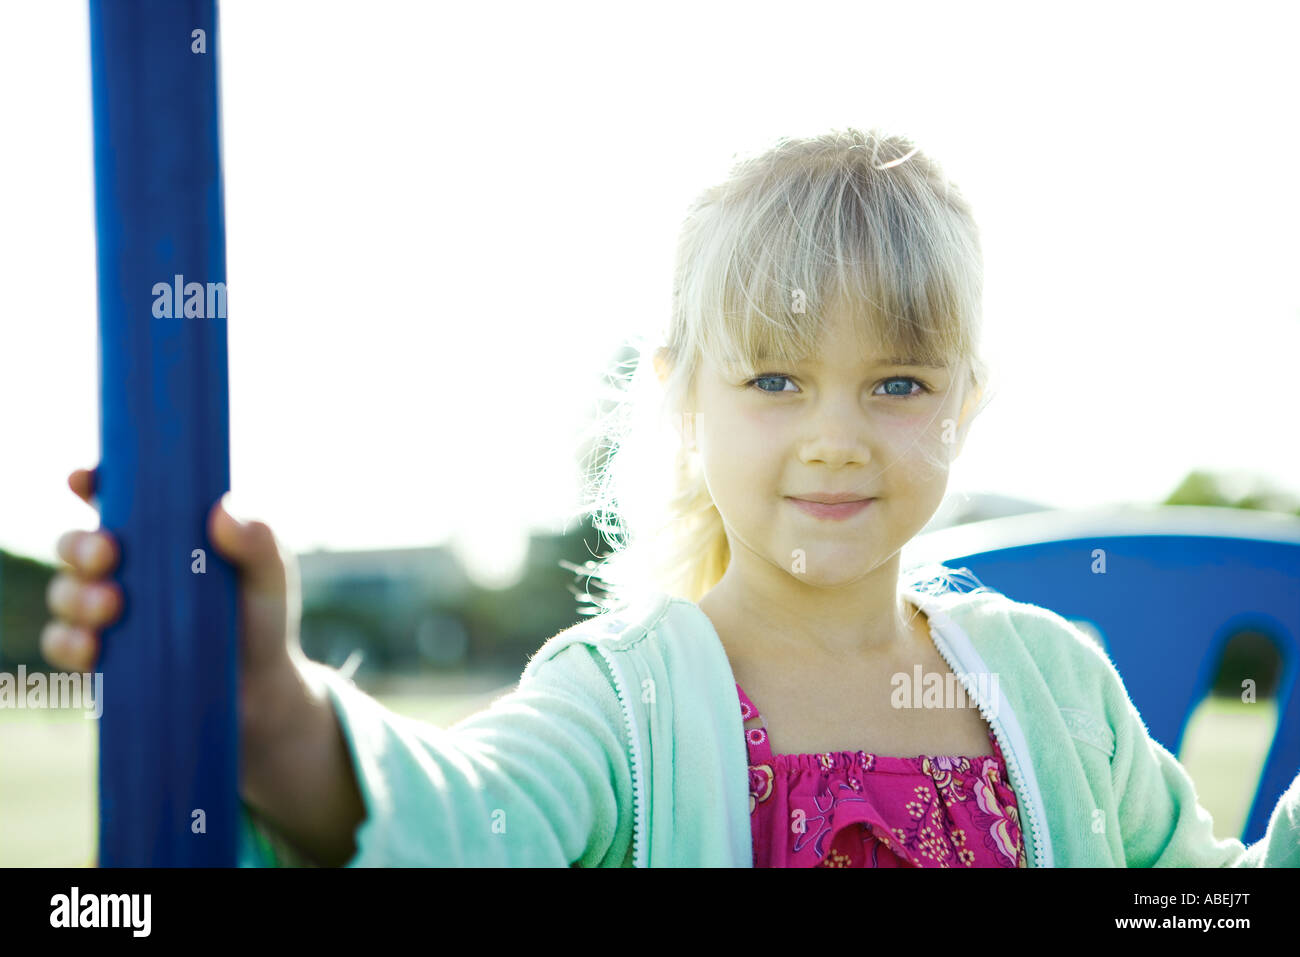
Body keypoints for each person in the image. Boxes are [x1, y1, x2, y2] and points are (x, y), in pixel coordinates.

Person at [43, 128, 1300, 867]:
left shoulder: (1051, 684)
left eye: (898, 382)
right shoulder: (627, 696)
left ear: (968, 399)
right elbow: (465, 823)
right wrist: (271, 709)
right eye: (774, 377)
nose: (835, 440)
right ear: (683, 402)